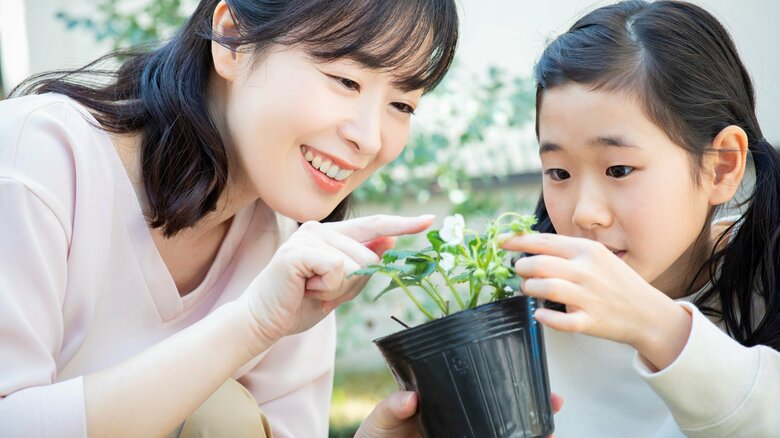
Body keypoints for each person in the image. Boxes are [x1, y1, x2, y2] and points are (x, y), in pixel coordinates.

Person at [0, 0, 458, 436]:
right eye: (346, 80)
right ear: (233, 40)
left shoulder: (291, 254)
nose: (370, 139)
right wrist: (252, 323)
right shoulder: (38, 157)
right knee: (218, 414)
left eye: (402, 105)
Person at [498, 0, 780, 436]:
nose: (584, 213)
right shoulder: (519, 319)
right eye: (559, 173)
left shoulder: (767, 288)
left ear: (722, 166)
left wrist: (658, 328)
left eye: (619, 170)